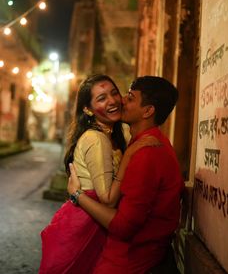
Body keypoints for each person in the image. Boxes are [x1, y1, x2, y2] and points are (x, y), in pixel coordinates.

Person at [38, 74, 156, 274]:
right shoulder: (96, 139)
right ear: (88, 109)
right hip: (86, 225)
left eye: (113, 93)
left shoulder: (111, 135)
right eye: (101, 98)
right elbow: (108, 199)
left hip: (91, 220)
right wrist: (131, 154)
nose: (112, 101)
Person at [68, 75, 185, 274]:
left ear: (148, 111)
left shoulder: (147, 152)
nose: (120, 100)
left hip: (130, 261)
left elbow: (123, 226)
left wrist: (76, 195)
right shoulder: (141, 143)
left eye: (129, 97)